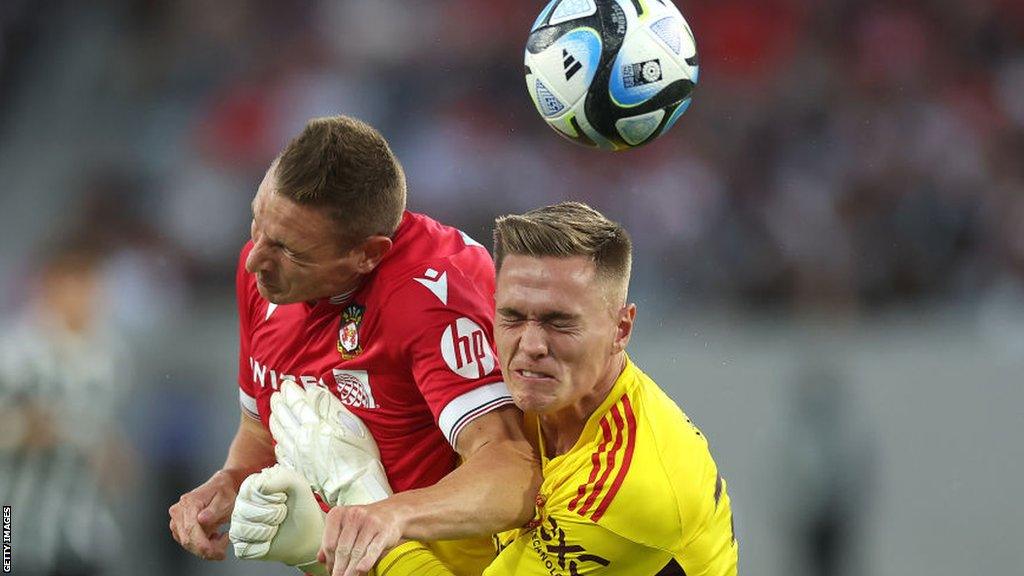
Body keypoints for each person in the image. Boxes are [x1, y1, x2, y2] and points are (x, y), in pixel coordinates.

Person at [238, 202, 739, 576]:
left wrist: (357, 492)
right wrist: (322, 545)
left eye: (560, 323)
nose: (531, 346)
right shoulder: (513, 398)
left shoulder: (627, 490)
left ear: (622, 329)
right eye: (513, 317)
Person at [167, 115, 540, 575]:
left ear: (369, 254)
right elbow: (262, 429)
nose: (256, 260)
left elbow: (511, 469)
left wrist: (386, 516)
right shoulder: (265, 275)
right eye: (256, 223)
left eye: (289, 250)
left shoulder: (429, 299)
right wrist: (228, 483)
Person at [0, 240, 135, 576]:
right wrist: (22, 429)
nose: (86, 298)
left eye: (92, 286)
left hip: (85, 525)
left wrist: (114, 453)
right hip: (15, 523)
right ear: (50, 289)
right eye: (75, 286)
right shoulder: (16, 353)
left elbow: (102, 427)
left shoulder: (112, 355)